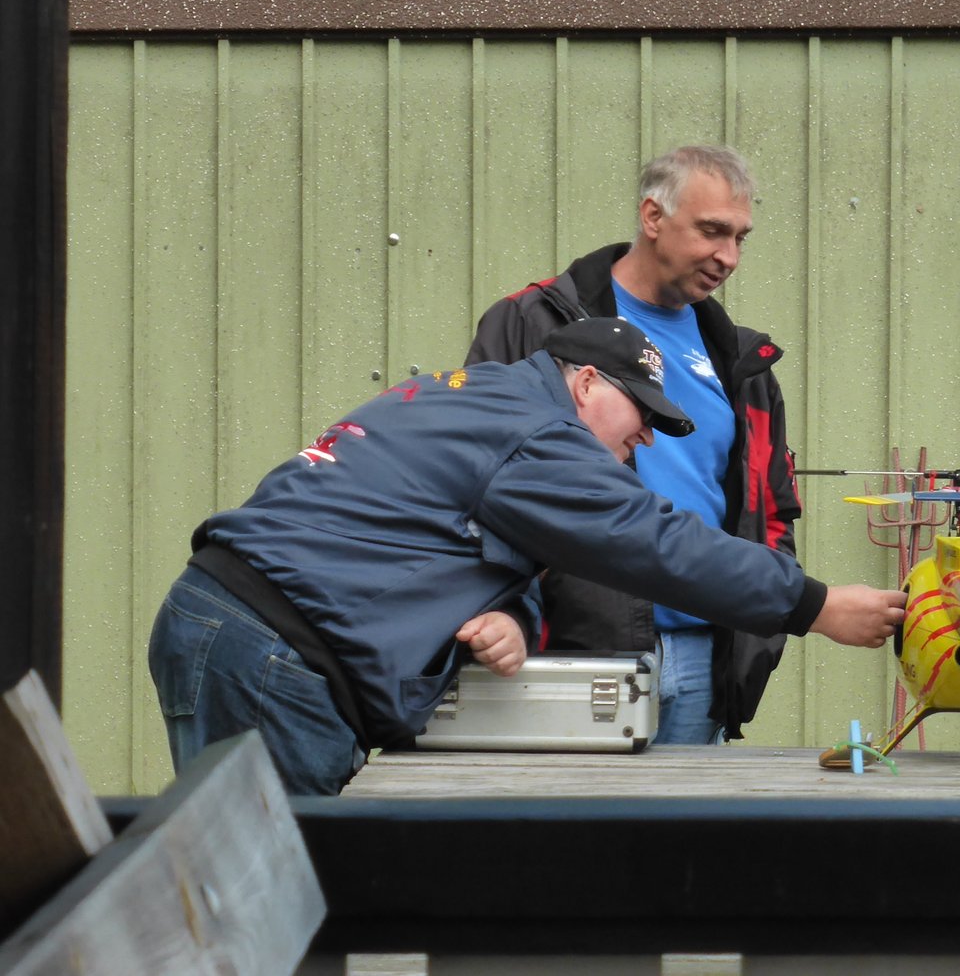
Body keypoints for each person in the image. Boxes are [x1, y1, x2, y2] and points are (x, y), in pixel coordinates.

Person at [147, 318, 907, 795]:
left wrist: (509, 611)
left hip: (223, 623)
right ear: (584, 382)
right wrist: (812, 603)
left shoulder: (469, 397)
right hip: (274, 659)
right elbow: (650, 542)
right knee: (269, 910)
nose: (641, 443)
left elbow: (452, 541)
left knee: (223, 887)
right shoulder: (534, 429)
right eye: (642, 418)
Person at [466, 145, 795, 746]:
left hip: (705, 658)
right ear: (651, 217)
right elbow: (475, 482)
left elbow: (770, 512)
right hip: (569, 654)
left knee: (682, 842)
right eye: (713, 232)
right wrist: (510, 614)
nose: (729, 257)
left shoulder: (744, 362)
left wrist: (758, 638)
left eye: (741, 238)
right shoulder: (533, 323)